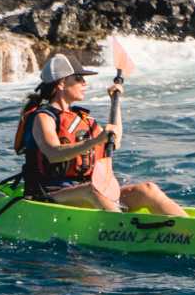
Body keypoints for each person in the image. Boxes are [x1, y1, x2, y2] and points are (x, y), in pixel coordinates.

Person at [14, 54, 183, 217]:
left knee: (148, 189)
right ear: (61, 83)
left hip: (86, 192)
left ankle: (188, 228)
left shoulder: (81, 118)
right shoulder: (43, 117)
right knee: (92, 189)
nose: (84, 83)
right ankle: (122, 230)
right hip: (50, 195)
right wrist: (95, 141)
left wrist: (115, 103)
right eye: (79, 78)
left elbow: (114, 141)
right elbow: (53, 153)